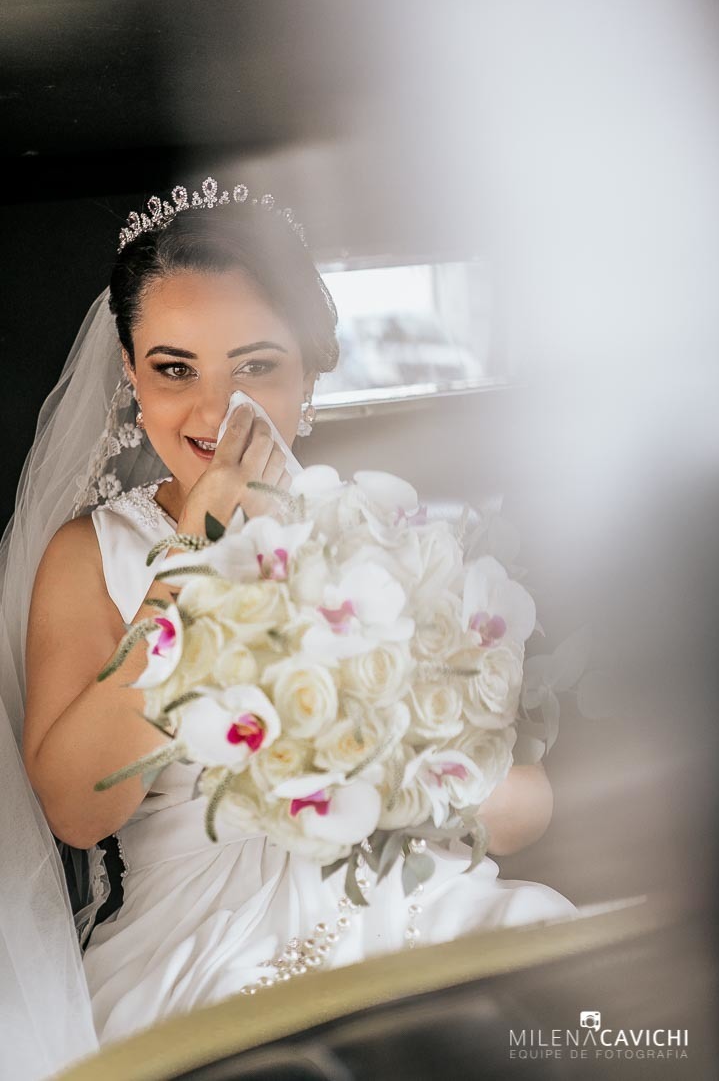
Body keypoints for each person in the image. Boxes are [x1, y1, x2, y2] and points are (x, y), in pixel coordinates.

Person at [2, 177, 577, 1076]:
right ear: (130, 374)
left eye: (256, 366)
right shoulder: (95, 554)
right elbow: (78, 809)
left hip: (405, 892)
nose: (215, 411)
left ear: (311, 371)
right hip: (196, 938)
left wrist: (381, 753)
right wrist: (194, 556)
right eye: (175, 368)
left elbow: (519, 814)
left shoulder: (389, 534)